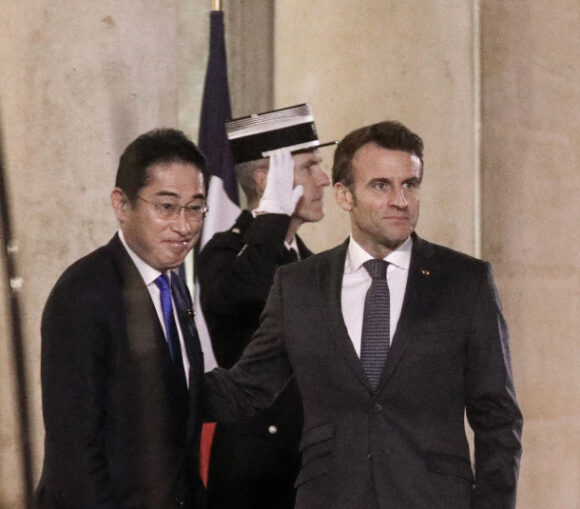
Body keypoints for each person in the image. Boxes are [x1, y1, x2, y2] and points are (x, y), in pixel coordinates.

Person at [204, 121, 523, 509]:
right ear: (344, 195)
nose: (401, 200)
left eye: (410, 184)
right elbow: (245, 389)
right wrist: (155, 373)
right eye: (381, 185)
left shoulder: (465, 281)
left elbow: (498, 418)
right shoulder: (298, 284)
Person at [34, 129, 210, 509]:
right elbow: (75, 452)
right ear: (121, 203)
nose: (184, 226)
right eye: (166, 207)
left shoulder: (174, 286)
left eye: (195, 208)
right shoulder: (83, 293)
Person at [198, 104, 333, 509]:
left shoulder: (310, 262)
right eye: (309, 167)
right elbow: (245, 293)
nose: (324, 179)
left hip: (305, 469)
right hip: (252, 474)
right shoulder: (225, 251)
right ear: (266, 180)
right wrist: (270, 220)